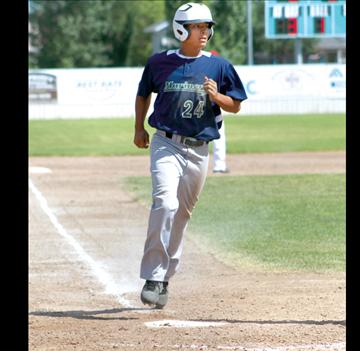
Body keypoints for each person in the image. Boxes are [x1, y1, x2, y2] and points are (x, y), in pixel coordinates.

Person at [133, 2, 247, 309]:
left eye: (207, 27)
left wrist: (217, 96)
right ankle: (153, 276)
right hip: (166, 143)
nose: (205, 33)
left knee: (182, 215)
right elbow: (143, 93)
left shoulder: (218, 66)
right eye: (198, 27)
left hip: (199, 151)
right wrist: (138, 129)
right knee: (165, 203)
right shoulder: (159, 63)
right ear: (181, 29)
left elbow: (235, 105)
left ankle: (165, 279)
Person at [209, 50, 229, 174]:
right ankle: (219, 166)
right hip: (213, 113)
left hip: (202, 112)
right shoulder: (218, 74)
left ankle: (219, 165)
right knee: (219, 138)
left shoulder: (198, 70)